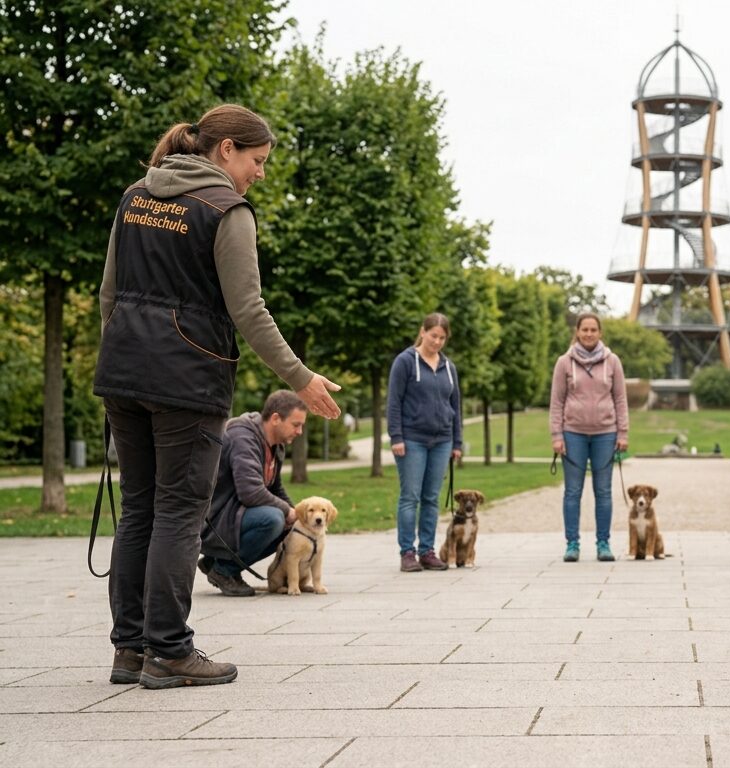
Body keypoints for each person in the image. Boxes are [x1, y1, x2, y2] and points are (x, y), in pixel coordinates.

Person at [94, 104, 341, 690]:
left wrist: (124, 357)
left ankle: (130, 650)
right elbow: (248, 310)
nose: (260, 173)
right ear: (226, 149)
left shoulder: (136, 196)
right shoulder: (226, 210)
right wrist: (300, 377)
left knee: (139, 509)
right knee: (179, 512)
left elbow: (109, 293)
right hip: (188, 380)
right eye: (258, 160)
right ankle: (169, 651)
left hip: (122, 372)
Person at [198, 391, 308, 597]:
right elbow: (250, 492)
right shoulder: (243, 438)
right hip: (214, 521)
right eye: (296, 425)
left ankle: (215, 561)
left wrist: (297, 515)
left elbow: (276, 489)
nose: (299, 431)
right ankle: (223, 570)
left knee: (291, 524)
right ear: (275, 419)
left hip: (235, 518)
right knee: (273, 519)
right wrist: (287, 511)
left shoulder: (276, 445)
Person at [549, 313, 629, 563]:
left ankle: (603, 543)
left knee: (603, 491)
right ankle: (572, 544)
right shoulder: (564, 362)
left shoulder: (612, 361)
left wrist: (623, 432)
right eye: (585, 329)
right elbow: (557, 401)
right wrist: (557, 435)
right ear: (577, 332)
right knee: (573, 491)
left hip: (606, 433)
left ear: (600, 333)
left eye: (593, 330)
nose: (589, 334)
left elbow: (620, 399)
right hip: (573, 434)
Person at [388, 313, 464, 572]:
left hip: (442, 440)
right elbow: (394, 402)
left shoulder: (448, 367)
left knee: (431, 498)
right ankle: (407, 552)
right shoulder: (405, 362)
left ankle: (427, 551)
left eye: (442, 338)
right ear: (423, 332)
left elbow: (455, 406)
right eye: (433, 336)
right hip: (412, 439)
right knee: (410, 496)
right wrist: (396, 436)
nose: (437, 342)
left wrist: (457, 442)